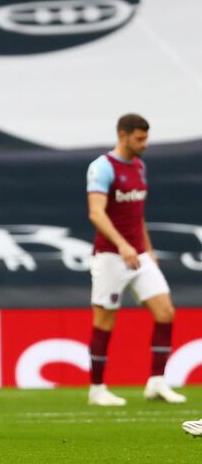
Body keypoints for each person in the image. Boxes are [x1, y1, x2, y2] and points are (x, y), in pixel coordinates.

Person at [85, 114, 185, 406]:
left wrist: (147, 249)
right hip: (110, 256)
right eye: (139, 138)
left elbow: (136, 215)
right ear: (122, 135)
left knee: (165, 311)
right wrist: (122, 245)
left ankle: (156, 382)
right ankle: (97, 389)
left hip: (138, 254)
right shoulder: (102, 167)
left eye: (146, 138)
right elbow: (96, 213)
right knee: (104, 321)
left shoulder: (140, 167)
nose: (144, 144)